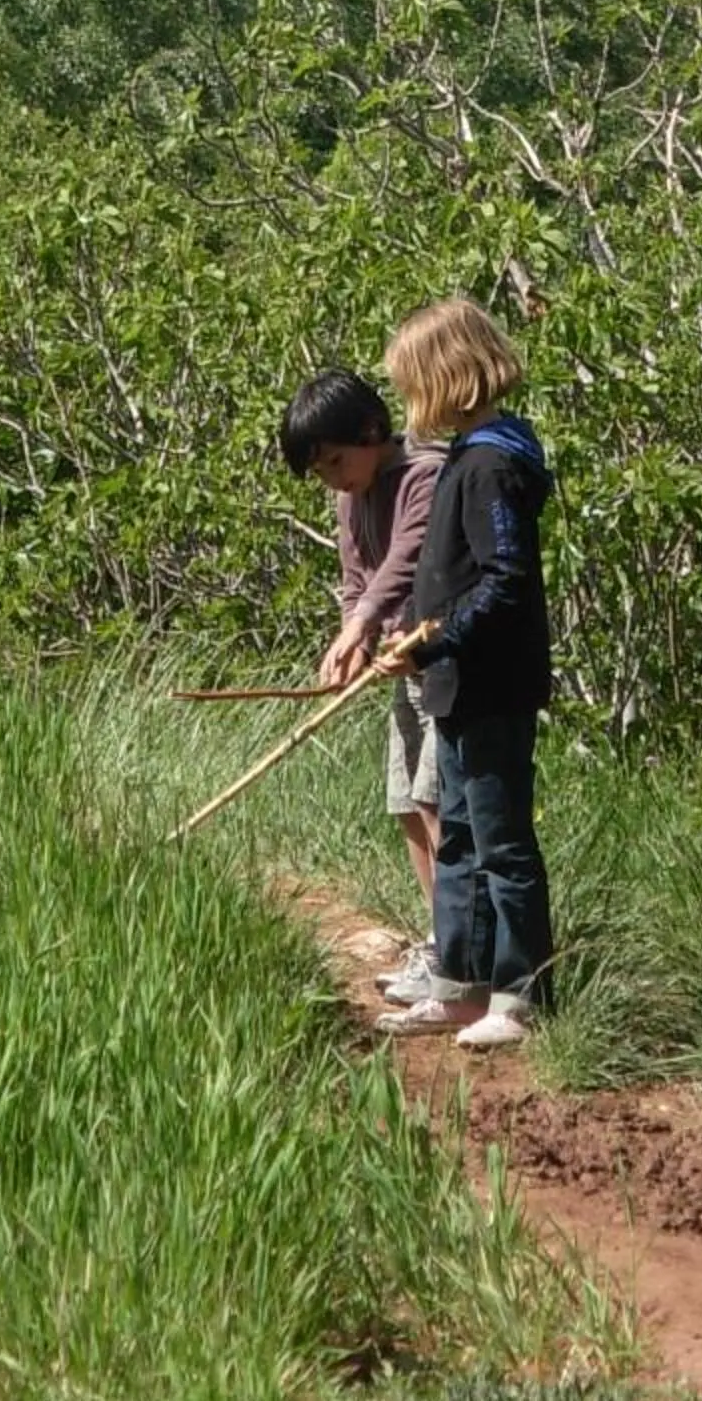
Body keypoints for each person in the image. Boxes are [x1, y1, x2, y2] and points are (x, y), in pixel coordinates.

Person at [374, 298, 555, 1054]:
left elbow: (505, 580)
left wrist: (436, 642)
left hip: (491, 685)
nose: (408, 403)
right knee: (459, 842)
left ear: (447, 378)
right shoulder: (466, 456)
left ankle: (520, 992)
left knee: (502, 840)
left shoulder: (492, 463)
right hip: (455, 685)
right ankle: (459, 979)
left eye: (413, 383)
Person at [280, 368, 446, 1003]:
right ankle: (439, 937)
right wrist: (356, 642)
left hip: (440, 666)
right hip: (398, 672)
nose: (332, 479)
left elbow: (406, 560)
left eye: (335, 462)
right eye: (319, 472)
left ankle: (461, 950)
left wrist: (363, 625)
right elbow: (358, 579)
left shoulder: (423, 474)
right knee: (406, 803)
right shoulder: (350, 497)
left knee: (437, 805)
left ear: (372, 432)